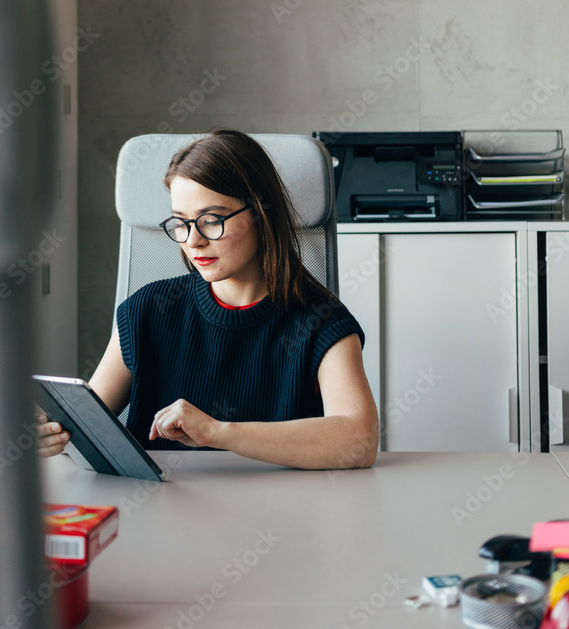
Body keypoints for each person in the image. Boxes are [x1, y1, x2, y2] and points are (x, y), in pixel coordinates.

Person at [37, 129, 379, 469]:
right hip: (159, 500)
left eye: (211, 220)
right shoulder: (147, 309)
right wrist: (51, 432)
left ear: (261, 213)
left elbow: (359, 441)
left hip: (277, 502)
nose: (193, 241)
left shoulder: (323, 321)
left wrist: (218, 432)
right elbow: (83, 426)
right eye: (181, 223)